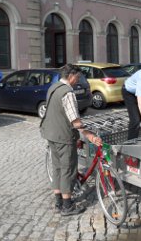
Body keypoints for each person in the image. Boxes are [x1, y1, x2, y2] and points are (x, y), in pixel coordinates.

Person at [40, 64, 102, 216]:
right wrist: (90, 135)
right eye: (78, 77)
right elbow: (75, 121)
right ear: (71, 76)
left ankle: (58, 202)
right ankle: (67, 206)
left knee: (57, 168)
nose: (78, 80)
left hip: (50, 133)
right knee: (68, 169)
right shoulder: (68, 93)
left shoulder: (53, 87)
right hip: (63, 136)